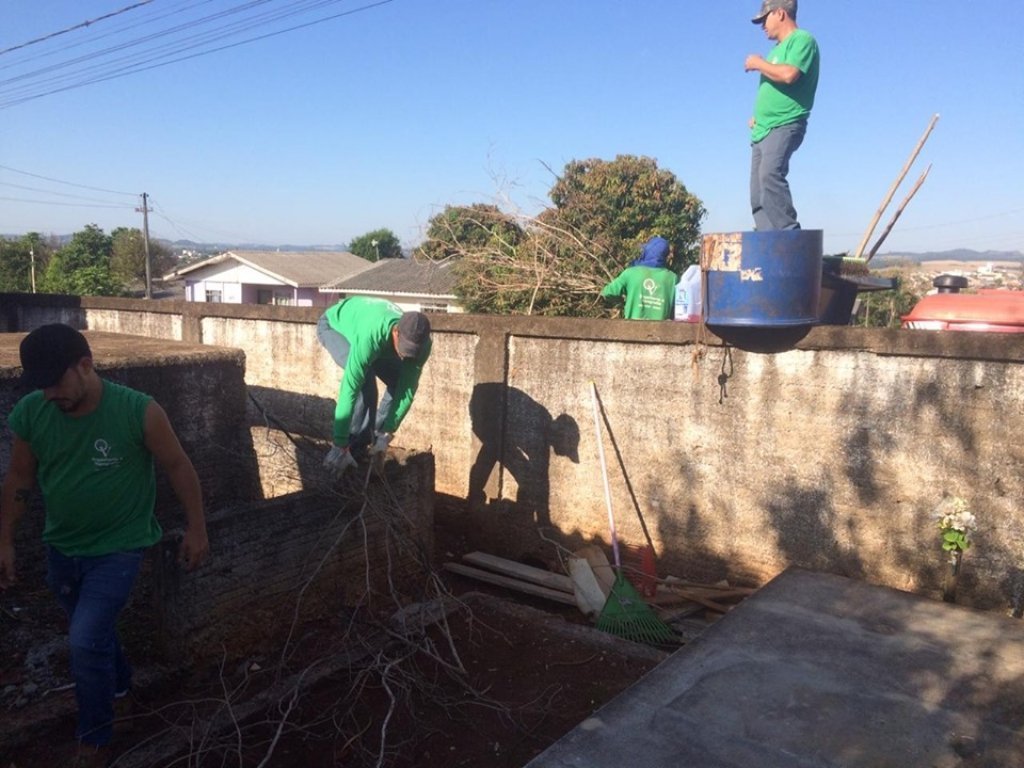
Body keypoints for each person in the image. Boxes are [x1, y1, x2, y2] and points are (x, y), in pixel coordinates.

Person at [0, 324, 209, 767]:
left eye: (56, 382)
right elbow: (19, 477)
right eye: (41, 385)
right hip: (62, 547)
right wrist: (5, 540)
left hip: (120, 547)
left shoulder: (139, 411)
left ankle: (94, 736)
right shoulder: (32, 413)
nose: (49, 394)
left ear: (86, 366)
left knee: (83, 639)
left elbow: (177, 466)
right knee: (91, 633)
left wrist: (197, 528)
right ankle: (120, 691)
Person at [316, 297, 432, 477]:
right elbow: (349, 388)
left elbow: (406, 390)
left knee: (397, 379)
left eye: (412, 352)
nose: (405, 356)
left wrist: (387, 433)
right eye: (404, 349)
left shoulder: (424, 346)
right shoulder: (371, 335)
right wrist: (339, 443)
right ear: (396, 332)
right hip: (335, 327)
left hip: (376, 338)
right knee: (364, 380)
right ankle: (352, 447)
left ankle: (376, 436)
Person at [744, 0, 820, 231]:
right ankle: (770, 244)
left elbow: (789, 75)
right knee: (758, 195)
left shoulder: (802, 40)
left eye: (764, 19)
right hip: (763, 129)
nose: (762, 25)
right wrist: (758, 117)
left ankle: (790, 236)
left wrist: (758, 63)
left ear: (780, 13)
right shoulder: (775, 50)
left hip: (784, 124)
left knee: (770, 176)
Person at [600, 236, 678, 320]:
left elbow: (607, 293)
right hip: (660, 332)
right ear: (665, 256)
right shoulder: (673, 278)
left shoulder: (630, 273)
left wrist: (623, 302)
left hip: (631, 330)